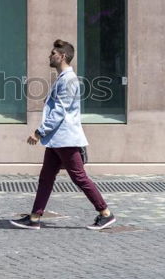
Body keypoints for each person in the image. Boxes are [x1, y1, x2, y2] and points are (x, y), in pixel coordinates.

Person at [10, 39, 116, 230]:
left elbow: (59, 111)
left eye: (53, 53)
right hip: (57, 140)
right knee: (46, 178)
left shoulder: (68, 80)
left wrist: (39, 132)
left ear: (63, 56)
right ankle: (34, 217)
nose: (49, 56)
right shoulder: (62, 78)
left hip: (65, 139)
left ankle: (105, 213)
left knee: (79, 177)